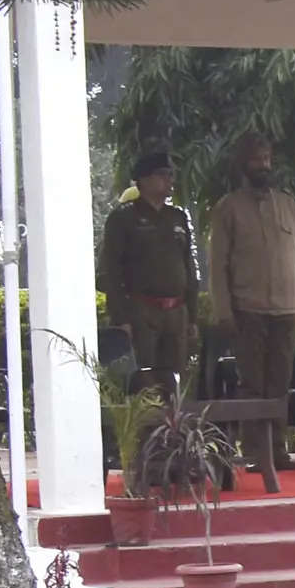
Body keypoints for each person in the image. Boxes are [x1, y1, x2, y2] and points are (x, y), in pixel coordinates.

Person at [205, 134, 295, 463]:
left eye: (266, 159)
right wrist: (224, 310)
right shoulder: (228, 208)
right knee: (253, 384)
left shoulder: (288, 203)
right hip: (247, 308)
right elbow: (218, 264)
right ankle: (255, 452)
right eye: (256, 160)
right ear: (243, 165)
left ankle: (277, 451)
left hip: (286, 308)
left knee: (280, 383)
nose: (263, 166)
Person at [100, 150, 200, 401]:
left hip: (177, 311)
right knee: (145, 383)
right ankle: (146, 438)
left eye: (170, 175)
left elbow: (188, 265)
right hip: (141, 310)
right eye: (162, 175)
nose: (169, 180)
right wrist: (121, 317)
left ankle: (174, 437)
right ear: (143, 179)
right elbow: (110, 270)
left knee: (175, 383)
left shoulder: (176, 217)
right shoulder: (124, 218)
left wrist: (193, 315)